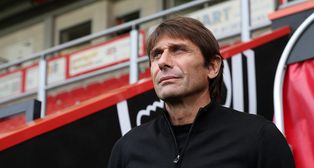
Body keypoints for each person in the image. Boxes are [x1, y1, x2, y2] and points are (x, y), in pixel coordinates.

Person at [108, 16, 295, 168]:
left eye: (178, 50)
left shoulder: (259, 137)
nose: (162, 62)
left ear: (213, 66)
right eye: (156, 54)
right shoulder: (127, 148)